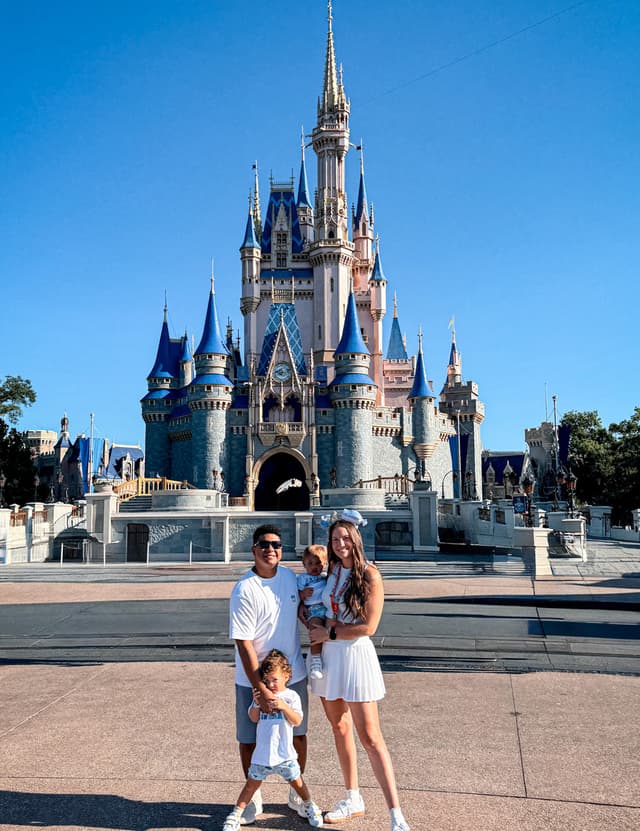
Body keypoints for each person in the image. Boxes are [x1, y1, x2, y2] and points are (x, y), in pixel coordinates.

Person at [308, 509, 411, 831]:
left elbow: (369, 626)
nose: (340, 544)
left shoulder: (370, 574)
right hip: (329, 656)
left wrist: (330, 633)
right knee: (339, 728)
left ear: (356, 539)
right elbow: (322, 611)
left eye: (345, 538)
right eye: (335, 539)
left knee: (370, 737)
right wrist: (314, 622)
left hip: (354, 656)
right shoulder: (332, 572)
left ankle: (396, 814)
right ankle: (353, 797)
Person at [229, 524, 308, 825]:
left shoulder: (289, 577)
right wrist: (260, 689)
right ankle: (253, 797)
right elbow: (243, 643)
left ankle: (297, 792)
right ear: (254, 550)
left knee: (298, 735)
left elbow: (315, 591)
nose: (270, 549)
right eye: (263, 544)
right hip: (251, 679)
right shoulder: (244, 589)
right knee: (249, 739)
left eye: (275, 544)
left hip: (292, 676)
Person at [222, 650, 323, 830]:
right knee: (250, 786)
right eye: (267, 681)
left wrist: (283, 707)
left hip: (285, 754)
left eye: (274, 679)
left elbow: (297, 721)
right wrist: (257, 702)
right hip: (262, 755)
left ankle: (309, 805)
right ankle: (236, 814)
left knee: (298, 783)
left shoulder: (291, 697)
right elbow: (253, 718)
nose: (271, 684)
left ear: (286, 676)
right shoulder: (263, 696)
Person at [297, 544, 328, 680]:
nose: (314, 567)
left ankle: (325, 657)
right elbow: (295, 594)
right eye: (310, 563)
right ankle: (315, 662)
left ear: (324, 564)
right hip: (313, 610)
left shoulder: (325, 577)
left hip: (326, 608)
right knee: (316, 631)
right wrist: (302, 594)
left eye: (318, 563)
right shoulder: (302, 578)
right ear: (304, 564)